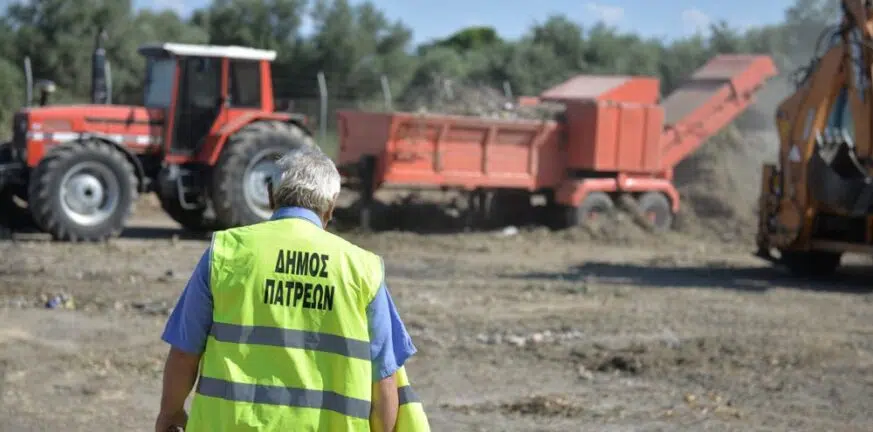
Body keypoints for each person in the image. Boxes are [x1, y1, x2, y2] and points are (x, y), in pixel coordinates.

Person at [155, 145, 424, 431]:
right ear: (330, 207)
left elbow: (185, 352)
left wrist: (170, 414)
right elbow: (384, 378)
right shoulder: (362, 269)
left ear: (271, 195)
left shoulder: (226, 253)